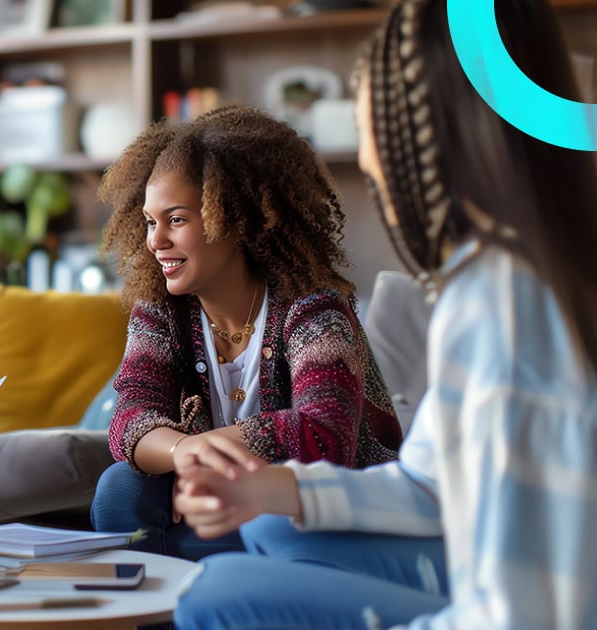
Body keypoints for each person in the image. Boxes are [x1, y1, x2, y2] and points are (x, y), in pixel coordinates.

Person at [171, 0, 597, 627]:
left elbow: (523, 614)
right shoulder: (512, 274)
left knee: (214, 595)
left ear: (424, 147)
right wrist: (275, 489)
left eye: (376, 152)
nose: (371, 169)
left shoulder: (505, 307)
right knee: (273, 527)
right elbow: (429, 483)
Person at [91, 104, 404, 560]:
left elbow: (325, 434)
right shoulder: (160, 312)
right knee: (120, 488)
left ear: (234, 219)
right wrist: (185, 454)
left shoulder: (315, 310)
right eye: (150, 222)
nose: (156, 241)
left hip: (322, 518)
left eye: (176, 219)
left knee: (275, 522)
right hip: (219, 511)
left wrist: (203, 454)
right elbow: (129, 423)